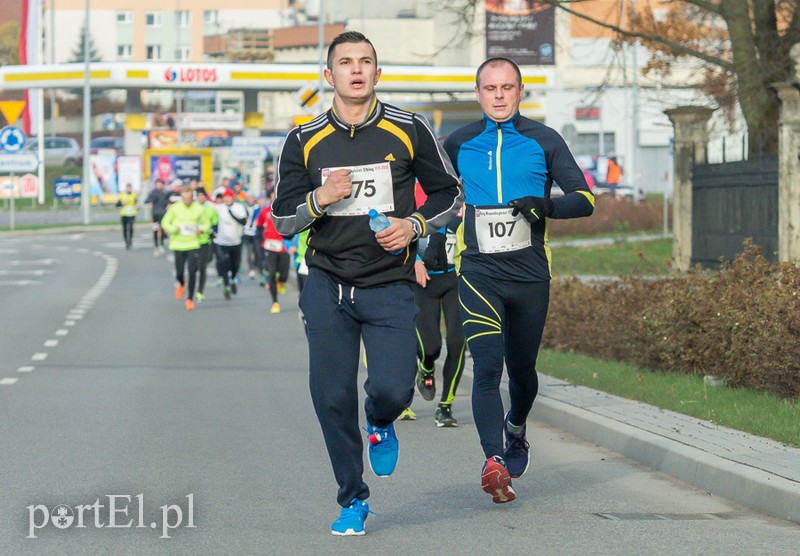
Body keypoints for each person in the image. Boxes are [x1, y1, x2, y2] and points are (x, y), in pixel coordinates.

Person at [271, 31, 462, 536]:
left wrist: (415, 225)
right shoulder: (303, 139)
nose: (356, 70)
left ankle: (380, 421)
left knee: (393, 389)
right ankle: (353, 498)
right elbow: (281, 218)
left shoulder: (409, 128)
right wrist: (319, 199)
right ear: (328, 76)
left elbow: (450, 194)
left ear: (378, 73)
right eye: (346, 63)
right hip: (328, 283)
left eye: (366, 62)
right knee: (331, 397)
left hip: (389, 284)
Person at [443, 57, 594, 504]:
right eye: (490, 88)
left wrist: (545, 205)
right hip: (478, 270)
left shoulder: (544, 140)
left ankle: (516, 427)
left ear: (520, 90)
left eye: (507, 87)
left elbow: (584, 199)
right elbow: (433, 197)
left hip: (529, 274)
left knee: (522, 372)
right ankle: (494, 461)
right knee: (486, 368)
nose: (499, 96)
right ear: (478, 94)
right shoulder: (457, 143)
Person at [412, 218, 466, 428]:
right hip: (423, 279)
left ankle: (445, 406)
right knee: (430, 347)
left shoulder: (465, 192)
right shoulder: (415, 190)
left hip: (456, 279)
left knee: (457, 342)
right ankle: (426, 368)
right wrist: (415, 259)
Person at [160, 184, 210, 311]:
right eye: (184, 198)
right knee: (179, 272)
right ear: (181, 197)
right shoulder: (175, 208)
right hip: (178, 243)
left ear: (192, 197)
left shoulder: (199, 208)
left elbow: (207, 224)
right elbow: (165, 222)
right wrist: (173, 229)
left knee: (193, 271)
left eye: (189, 198)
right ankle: (181, 283)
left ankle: (189, 299)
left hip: (193, 243)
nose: (187, 201)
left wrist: (201, 229)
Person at [256, 190, 290, 314]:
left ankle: (281, 281)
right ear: (270, 197)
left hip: (282, 246)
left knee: (284, 275)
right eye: (273, 195)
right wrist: (261, 241)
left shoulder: (286, 209)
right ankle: (275, 302)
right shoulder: (265, 211)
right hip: (269, 246)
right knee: (271, 273)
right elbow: (258, 227)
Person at [213, 188, 248, 300]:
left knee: (234, 264)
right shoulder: (218, 208)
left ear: (233, 197)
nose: (227, 199)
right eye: (225, 197)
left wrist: (232, 214)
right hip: (221, 241)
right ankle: (226, 285)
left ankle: (233, 279)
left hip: (235, 241)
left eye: (229, 197)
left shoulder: (239, 207)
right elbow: (209, 216)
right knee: (223, 262)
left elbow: (243, 222)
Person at [194, 188, 219, 303]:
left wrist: (214, 232)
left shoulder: (210, 208)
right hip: (192, 242)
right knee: (194, 267)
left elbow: (215, 223)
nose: (201, 198)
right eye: (199, 196)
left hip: (206, 240)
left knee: (203, 267)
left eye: (203, 195)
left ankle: (200, 291)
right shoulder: (192, 208)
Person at [144, 179, 171, 256]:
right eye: (157, 184)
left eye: (160, 184)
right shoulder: (153, 193)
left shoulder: (164, 193)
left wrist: (168, 205)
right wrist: (151, 202)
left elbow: (167, 201)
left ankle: (161, 244)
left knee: (162, 229)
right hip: (155, 214)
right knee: (155, 230)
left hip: (162, 214)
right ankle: (156, 246)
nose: (159, 185)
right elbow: (146, 201)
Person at [117, 183, 138, 250]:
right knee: (125, 228)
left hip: (132, 213)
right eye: (128, 188)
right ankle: (126, 242)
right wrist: (121, 203)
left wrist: (136, 206)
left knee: (131, 227)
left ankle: (130, 240)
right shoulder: (122, 195)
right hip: (124, 213)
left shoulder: (134, 195)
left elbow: (136, 203)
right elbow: (117, 204)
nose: (129, 189)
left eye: (130, 188)